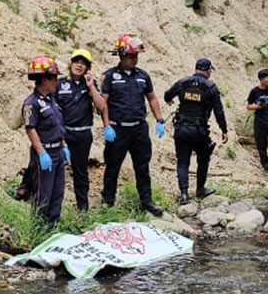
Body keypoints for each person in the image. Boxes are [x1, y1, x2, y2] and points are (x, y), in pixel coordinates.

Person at [100, 33, 165, 216]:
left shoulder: (143, 76)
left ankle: (147, 201)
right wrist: (106, 125)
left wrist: (159, 119)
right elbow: (102, 103)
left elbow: (151, 98)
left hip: (139, 129)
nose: (134, 60)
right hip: (117, 129)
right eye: (130, 56)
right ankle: (108, 202)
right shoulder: (110, 76)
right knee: (113, 166)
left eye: (136, 56)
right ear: (121, 56)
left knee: (142, 167)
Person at [163, 58, 229, 205]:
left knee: (182, 163)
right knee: (203, 159)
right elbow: (219, 111)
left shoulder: (183, 82)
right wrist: (224, 130)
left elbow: (167, 95)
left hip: (182, 128)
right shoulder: (211, 86)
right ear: (208, 70)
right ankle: (200, 189)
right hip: (200, 130)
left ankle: (184, 195)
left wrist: (169, 101)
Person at [57, 47, 110, 211]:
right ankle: (49, 205)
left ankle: (83, 208)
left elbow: (102, 106)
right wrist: (59, 138)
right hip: (63, 133)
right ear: (70, 63)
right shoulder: (60, 83)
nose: (79, 65)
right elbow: (53, 112)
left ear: (88, 67)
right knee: (55, 169)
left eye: (83, 63)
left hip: (82, 135)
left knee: (80, 172)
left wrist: (91, 87)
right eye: (76, 61)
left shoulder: (91, 85)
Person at [21, 54, 68, 225]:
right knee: (43, 195)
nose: (57, 81)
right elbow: (30, 128)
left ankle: (52, 227)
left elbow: (57, 126)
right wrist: (41, 152)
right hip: (45, 153)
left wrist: (63, 146)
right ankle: (37, 229)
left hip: (57, 151)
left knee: (57, 193)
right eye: (54, 78)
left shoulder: (52, 100)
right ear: (45, 80)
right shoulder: (31, 103)